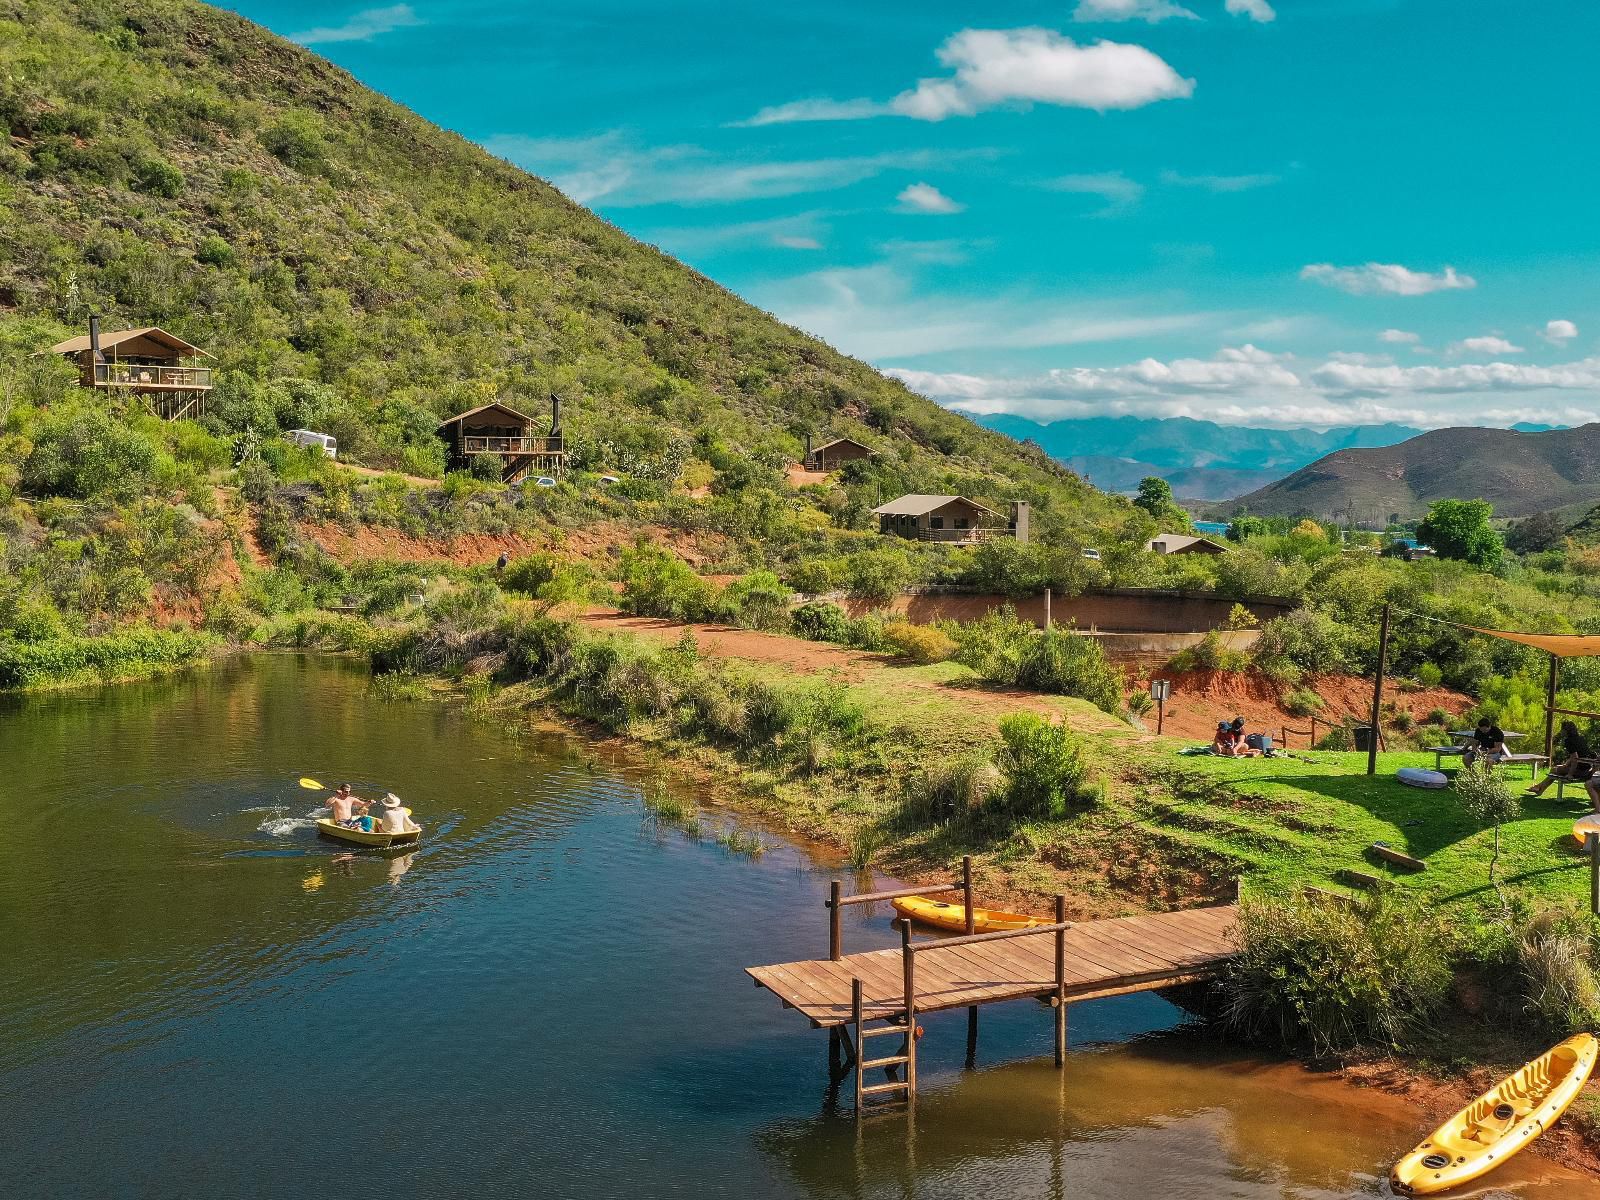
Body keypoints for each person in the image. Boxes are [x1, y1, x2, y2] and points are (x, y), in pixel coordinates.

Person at [1529, 720, 1595, 796]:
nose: (1561, 731)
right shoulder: (1580, 738)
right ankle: (1539, 788)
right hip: (1587, 768)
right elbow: (1577, 755)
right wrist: (1566, 765)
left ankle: (1539, 788)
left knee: (1554, 770)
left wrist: (1570, 774)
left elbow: (1575, 759)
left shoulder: (1569, 741)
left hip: (1581, 771)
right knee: (1556, 769)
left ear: (1566, 731)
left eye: (1562, 729)